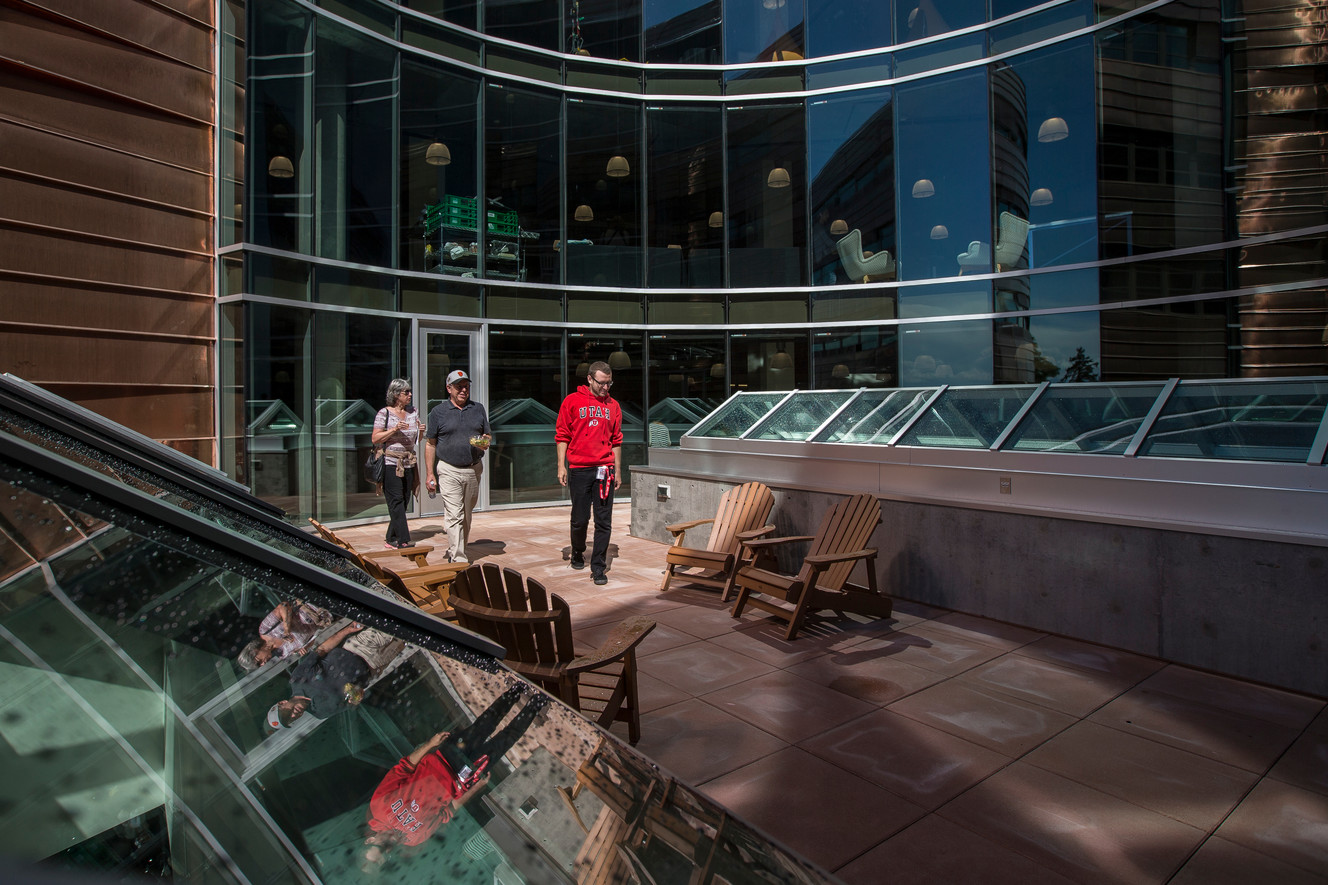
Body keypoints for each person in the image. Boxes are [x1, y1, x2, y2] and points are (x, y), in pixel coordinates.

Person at [359, 686, 546, 870]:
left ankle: (514, 691)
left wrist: (430, 744)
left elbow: (404, 768)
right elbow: (448, 811)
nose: (388, 847)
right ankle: (536, 704)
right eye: (388, 852)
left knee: (484, 725)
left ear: (371, 839)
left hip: (444, 757)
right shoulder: (415, 839)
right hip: (464, 779)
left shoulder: (378, 808)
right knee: (504, 742)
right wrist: (475, 788)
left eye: (382, 847)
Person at [555, 361, 622, 586]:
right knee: (580, 518)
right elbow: (562, 434)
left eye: (609, 383)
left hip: (605, 469)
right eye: (602, 383)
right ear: (590, 379)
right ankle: (577, 550)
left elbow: (616, 440)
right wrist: (561, 465)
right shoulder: (572, 401)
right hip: (580, 468)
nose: (606, 388)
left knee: (604, 521)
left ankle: (599, 567)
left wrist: (618, 470)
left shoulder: (613, 406)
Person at [266, 621, 400, 727]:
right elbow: (351, 703)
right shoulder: (320, 712)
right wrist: (356, 699)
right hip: (374, 667)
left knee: (395, 620)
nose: (293, 715)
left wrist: (347, 630)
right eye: (291, 720)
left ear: (282, 703)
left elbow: (322, 649)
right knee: (406, 636)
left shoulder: (297, 678)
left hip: (358, 646)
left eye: (287, 713)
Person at [423, 369, 491, 563]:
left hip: (473, 468)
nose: (463, 390)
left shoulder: (478, 409)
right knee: (454, 514)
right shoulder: (438, 412)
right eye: (459, 386)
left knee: (466, 515)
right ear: (449, 388)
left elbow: (487, 436)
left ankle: (460, 547)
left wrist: (484, 442)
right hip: (448, 468)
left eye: (466, 386)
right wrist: (430, 474)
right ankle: (458, 557)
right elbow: (430, 443)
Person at [373, 378, 420, 549]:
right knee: (396, 500)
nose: (410, 395)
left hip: (408, 461)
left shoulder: (413, 412)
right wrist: (394, 429)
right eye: (406, 392)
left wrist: (420, 432)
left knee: (405, 499)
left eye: (409, 391)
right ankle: (403, 540)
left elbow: (417, 439)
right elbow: (375, 437)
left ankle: (390, 538)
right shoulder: (384, 413)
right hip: (391, 462)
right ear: (395, 394)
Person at [236, 600, 333, 671]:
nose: (263, 663)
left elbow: (284, 605)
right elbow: (313, 638)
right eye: (260, 665)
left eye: (259, 661)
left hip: (316, 604)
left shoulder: (265, 630)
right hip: (328, 619)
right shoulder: (282, 654)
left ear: (254, 651)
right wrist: (307, 647)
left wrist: (287, 628)